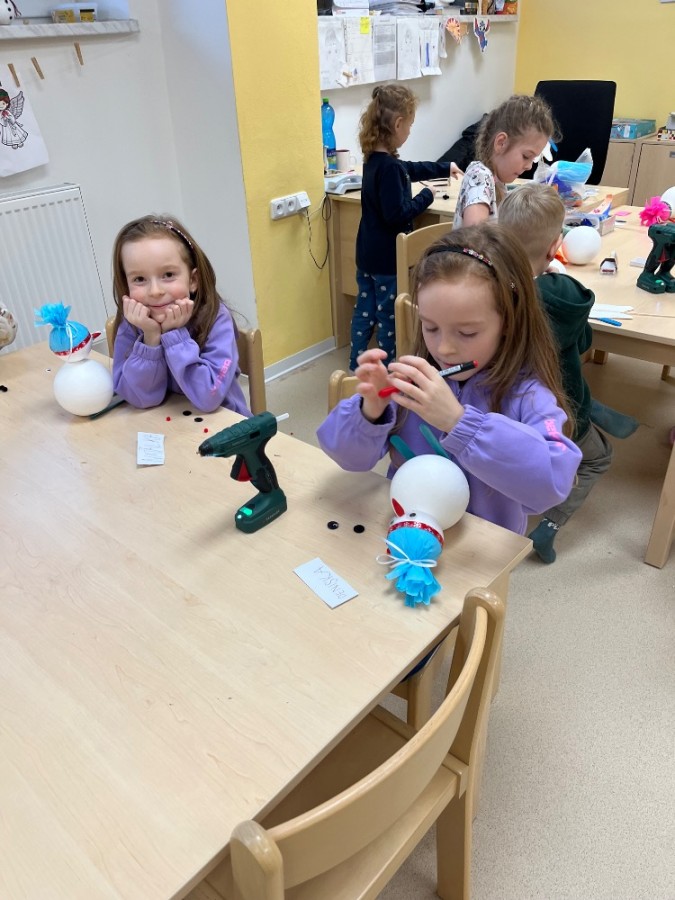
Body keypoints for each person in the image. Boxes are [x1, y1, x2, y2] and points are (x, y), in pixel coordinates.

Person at [318, 222, 582, 537]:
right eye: (430, 327)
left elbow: (553, 484)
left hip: (482, 550)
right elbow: (346, 457)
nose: (443, 348)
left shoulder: (528, 395)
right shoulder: (413, 382)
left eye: (467, 332)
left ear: (509, 323)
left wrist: (459, 423)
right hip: (408, 534)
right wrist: (370, 413)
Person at [499, 183, 638, 562]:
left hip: (504, 405)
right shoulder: (562, 294)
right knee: (599, 458)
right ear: (554, 247)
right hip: (555, 409)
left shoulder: (488, 287)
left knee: (570, 385)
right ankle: (549, 527)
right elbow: (583, 344)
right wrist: (559, 277)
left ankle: (596, 410)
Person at [350, 83, 461, 372]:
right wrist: (427, 195)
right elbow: (396, 215)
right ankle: (388, 369)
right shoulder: (390, 168)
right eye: (410, 125)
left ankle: (356, 365)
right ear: (398, 124)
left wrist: (444, 167)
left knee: (364, 312)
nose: (410, 130)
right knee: (388, 316)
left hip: (366, 256)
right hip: (387, 261)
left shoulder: (374, 161)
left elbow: (409, 168)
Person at [110, 215, 251, 416]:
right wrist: (150, 339)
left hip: (224, 426)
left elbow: (209, 397)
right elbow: (139, 399)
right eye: (139, 279)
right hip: (167, 423)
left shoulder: (216, 318)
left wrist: (174, 336)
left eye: (168, 275)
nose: (155, 291)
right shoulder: (133, 323)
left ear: (193, 280)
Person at [452, 94, 555, 229]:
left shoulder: (497, 181)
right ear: (501, 143)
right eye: (526, 156)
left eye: (533, 159)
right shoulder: (479, 176)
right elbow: (474, 237)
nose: (529, 166)